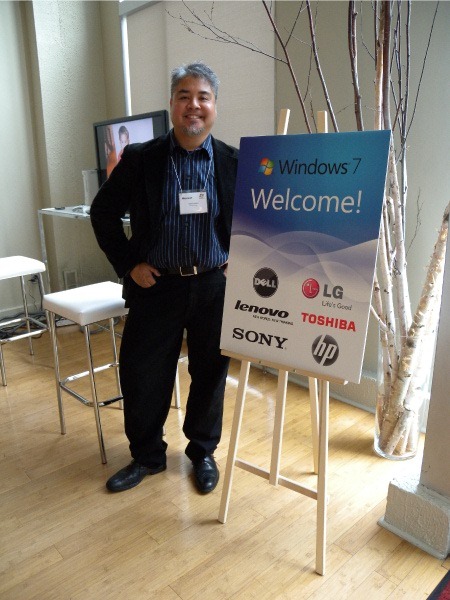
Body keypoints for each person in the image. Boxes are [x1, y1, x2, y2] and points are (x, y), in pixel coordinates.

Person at [90, 62, 239, 494]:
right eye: (184, 96)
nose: (193, 105)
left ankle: (202, 452)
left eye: (203, 97)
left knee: (211, 374)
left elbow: (254, 221)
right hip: (157, 286)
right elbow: (103, 213)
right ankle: (147, 456)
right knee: (142, 372)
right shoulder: (142, 159)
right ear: (172, 104)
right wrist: (128, 264)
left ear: (214, 106)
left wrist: (241, 260)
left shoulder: (234, 161)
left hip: (214, 285)